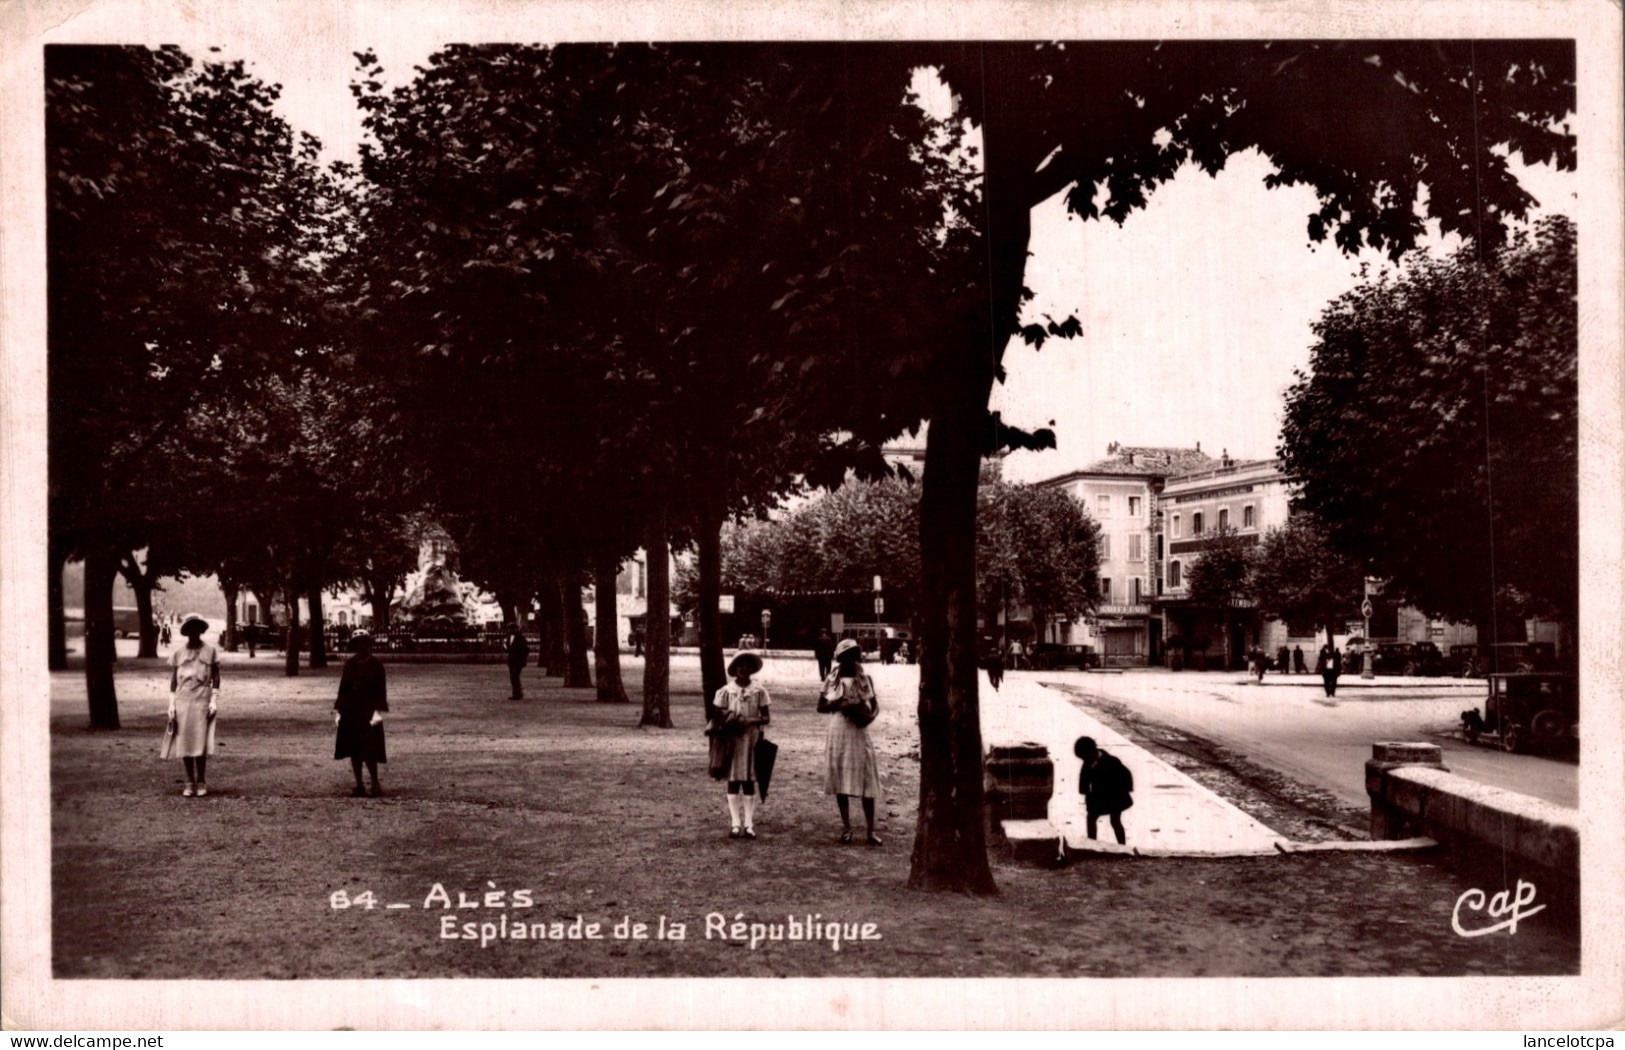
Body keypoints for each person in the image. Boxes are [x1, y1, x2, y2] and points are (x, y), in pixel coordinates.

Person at [819, 639, 882, 845]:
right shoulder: (832, 679)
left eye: (854, 655)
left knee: (866, 778)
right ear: (840, 658)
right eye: (846, 656)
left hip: (858, 730)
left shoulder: (866, 679)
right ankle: (847, 827)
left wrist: (867, 717)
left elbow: (875, 705)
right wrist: (837, 704)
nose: (850, 660)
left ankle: (870, 830)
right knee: (840, 777)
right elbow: (820, 706)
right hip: (839, 729)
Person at [711, 650, 770, 840]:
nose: (744, 669)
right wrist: (729, 720)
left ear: (752, 669)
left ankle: (749, 824)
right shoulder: (726, 691)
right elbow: (717, 716)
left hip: (752, 739)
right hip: (732, 740)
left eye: (748, 666)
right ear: (735, 669)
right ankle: (735, 823)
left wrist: (751, 720)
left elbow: (766, 718)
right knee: (734, 778)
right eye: (740, 666)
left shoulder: (759, 691)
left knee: (749, 779)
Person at [163, 613, 219, 796]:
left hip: (202, 697)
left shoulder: (210, 651)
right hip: (183, 699)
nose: (193, 632)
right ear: (186, 631)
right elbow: (173, 681)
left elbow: (216, 677)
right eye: (190, 629)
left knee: (200, 741)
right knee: (185, 741)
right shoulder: (179, 653)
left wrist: (214, 700)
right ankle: (189, 782)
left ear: (201, 630)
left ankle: (201, 781)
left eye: (197, 628)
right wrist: (171, 704)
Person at [334, 629, 388, 797]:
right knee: (354, 749)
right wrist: (339, 710)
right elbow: (343, 688)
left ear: (368, 645)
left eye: (364, 642)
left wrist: (378, 712)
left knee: (370, 749)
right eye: (358, 643)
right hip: (351, 710)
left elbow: (381, 691)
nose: (361, 646)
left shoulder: (376, 665)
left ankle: (375, 782)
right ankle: (359, 784)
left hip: (369, 710)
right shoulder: (350, 664)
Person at [1075, 736, 1133, 845]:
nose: (1084, 760)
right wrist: (1086, 793)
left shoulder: (1112, 761)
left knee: (1115, 821)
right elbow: (1084, 782)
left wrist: (1125, 791)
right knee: (1091, 818)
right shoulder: (1087, 763)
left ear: (1092, 752)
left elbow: (1126, 775)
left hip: (1115, 796)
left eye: (1084, 757)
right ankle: (1092, 844)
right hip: (1099, 796)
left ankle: (1123, 846)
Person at [503, 621, 529, 701]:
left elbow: (525, 650)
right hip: (511, 661)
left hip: (519, 661)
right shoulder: (508, 638)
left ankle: (517, 694)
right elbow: (508, 649)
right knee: (513, 678)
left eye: (512, 628)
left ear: (516, 629)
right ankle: (516, 693)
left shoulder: (521, 638)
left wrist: (523, 659)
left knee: (515, 677)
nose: (510, 630)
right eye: (509, 629)